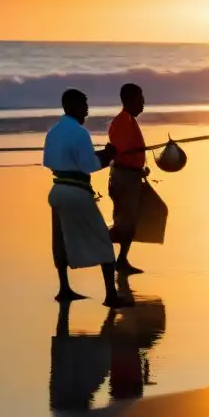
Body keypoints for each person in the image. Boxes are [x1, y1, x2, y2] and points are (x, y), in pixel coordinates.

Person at [43, 88, 131, 307]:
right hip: (76, 191)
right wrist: (108, 155)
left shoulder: (53, 131)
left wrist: (101, 155)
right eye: (83, 104)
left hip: (57, 191)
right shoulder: (80, 133)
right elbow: (89, 165)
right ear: (71, 106)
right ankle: (111, 295)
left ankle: (64, 288)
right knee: (102, 238)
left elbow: (50, 161)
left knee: (60, 240)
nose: (87, 109)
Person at [107, 83, 148, 275]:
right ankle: (96, 243)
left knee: (129, 223)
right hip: (124, 178)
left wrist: (140, 168)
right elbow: (122, 152)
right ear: (130, 100)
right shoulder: (122, 122)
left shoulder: (130, 120)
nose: (143, 103)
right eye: (140, 99)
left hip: (130, 176)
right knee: (123, 225)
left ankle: (121, 260)